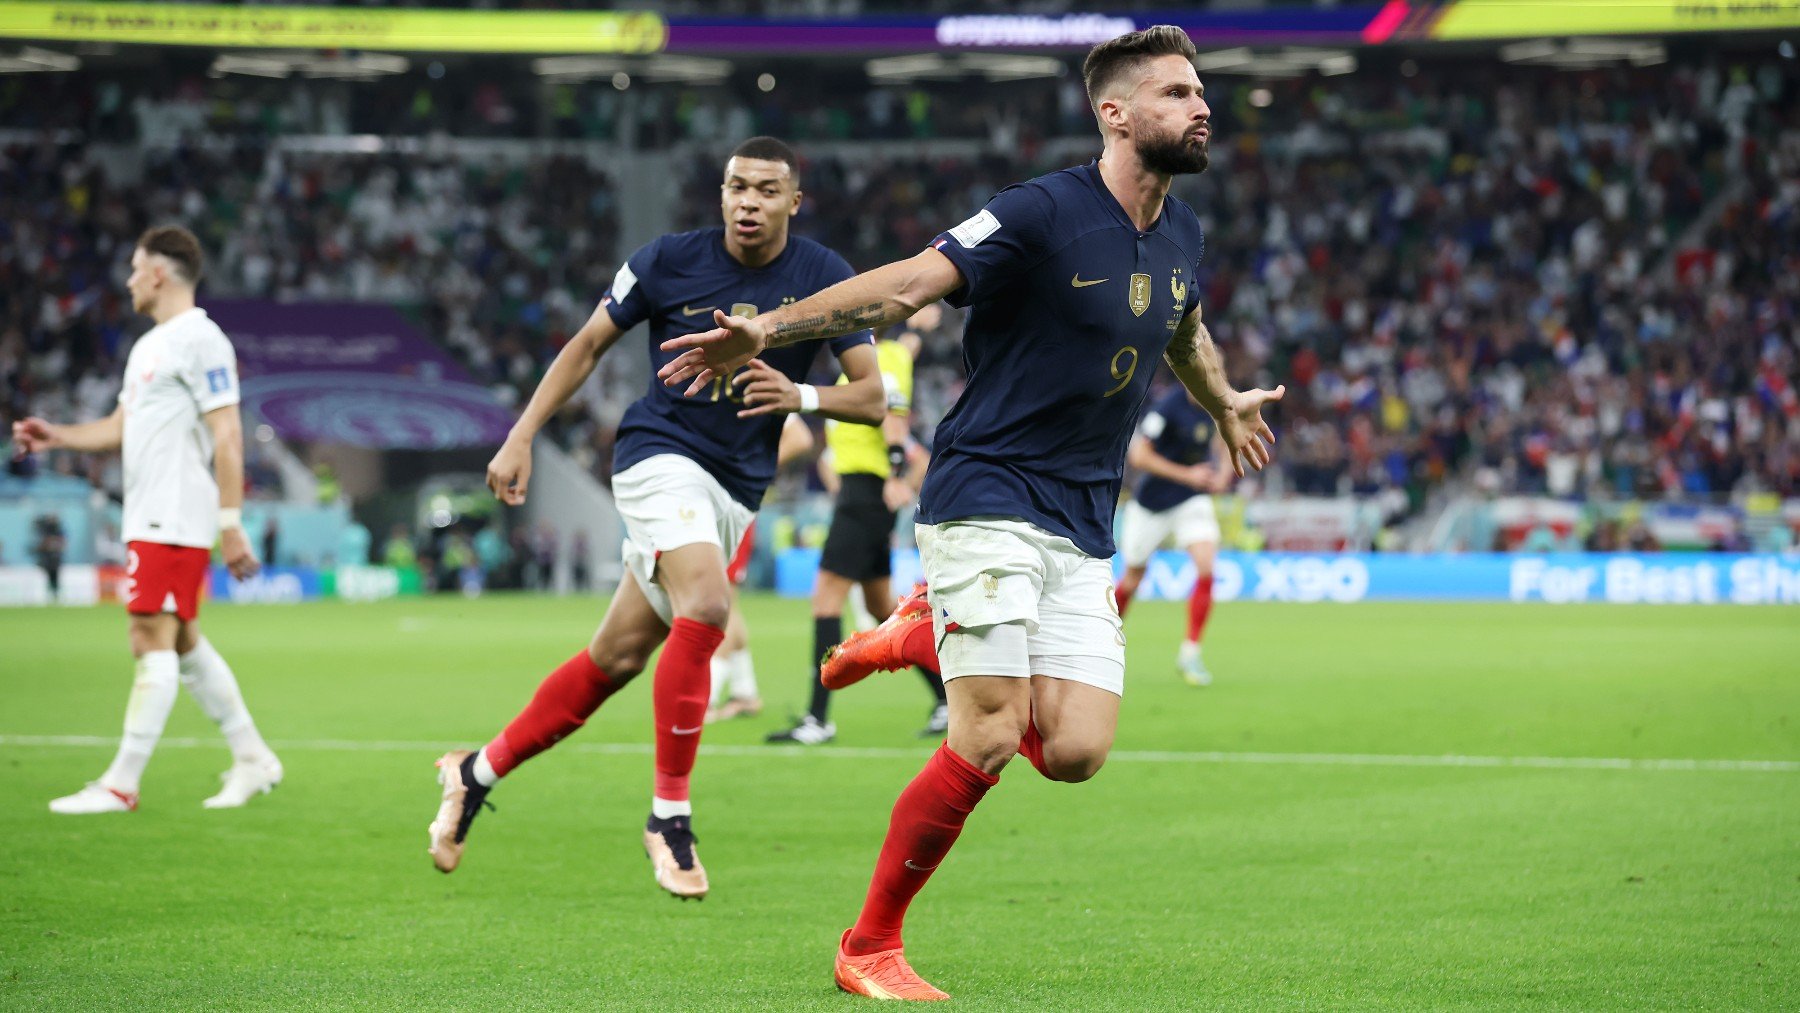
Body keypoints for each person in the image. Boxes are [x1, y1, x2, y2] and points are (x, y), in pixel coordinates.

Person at [660, 28, 1281, 997]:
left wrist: (1223, 399)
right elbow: (909, 284)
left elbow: (1184, 328)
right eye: (1176, 92)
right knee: (987, 732)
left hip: (1083, 514)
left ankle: (920, 634)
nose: (1203, 106)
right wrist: (771, 327)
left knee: (1074, 751)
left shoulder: (1184, 233)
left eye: (1201, 91)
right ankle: (869, 944)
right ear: (1114, 113)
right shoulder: (1042, 210)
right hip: (986, 488)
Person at [426, 137, 884, 901]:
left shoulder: (824, 278)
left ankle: (474, 772)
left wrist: (800, 396)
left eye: (768, 191)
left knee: (616, 658)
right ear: (720, 192)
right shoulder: (666, 259)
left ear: (793, 201)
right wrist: (521, 433)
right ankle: (669, 817)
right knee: (707, 602)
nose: (748, 202)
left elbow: (872, 397)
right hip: (656, 455)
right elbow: (587, 345)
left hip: (737, 487)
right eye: (737, 186)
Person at [12, 225, 282, 814]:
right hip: (151, 514)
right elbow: (118, 427)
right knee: (183, 641)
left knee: (147, 636)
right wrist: (56, 435)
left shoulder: (201, 339)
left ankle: (121, 784)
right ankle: (253, 757)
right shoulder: (150, 347)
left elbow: (228, 432)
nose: (130, 280)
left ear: (159, 273)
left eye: (136, 269)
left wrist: (230, 521)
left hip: (173, 514)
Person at [768, 325, 946, 745]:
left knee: (826, 599)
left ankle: (817, 717)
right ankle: (948, 698)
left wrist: (898, 471)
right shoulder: (866, 365)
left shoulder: (884, 358)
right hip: (858, 492)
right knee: (882, 606)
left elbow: (895, 416)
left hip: (866, 493)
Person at [1114, 385, 1232, 686]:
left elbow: (1225, 437)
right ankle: (1105, 638)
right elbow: (1139, 456)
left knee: (1207, 566)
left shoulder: (1215, 403)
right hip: (1150, 505)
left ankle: (1190, 653)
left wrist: (1223, 474)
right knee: (1132, 579)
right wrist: (1188, 474)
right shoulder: (1166, 408)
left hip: (1191, 499)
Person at [707, 414, 814, 724]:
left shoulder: (752, 379)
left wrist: (749, 468)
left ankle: (707, 698)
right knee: (728, 602)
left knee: (720, 602)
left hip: (733, 505)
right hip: (721, 503)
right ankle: (745, 693)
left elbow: (800, 437)